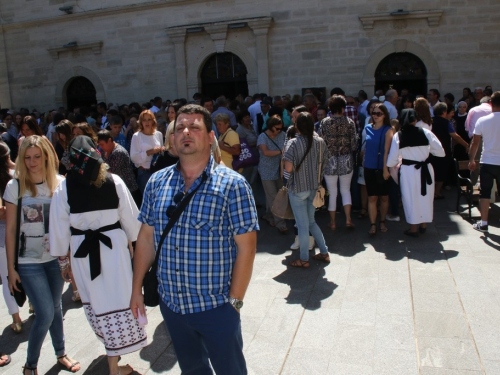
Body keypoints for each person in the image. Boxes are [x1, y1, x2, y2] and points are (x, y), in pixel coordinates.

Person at [131, 104, 258, 374]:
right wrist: (136, 288)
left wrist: (233, 305)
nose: (186, 131)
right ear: (173, 138)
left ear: (210, 136)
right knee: (192, 369)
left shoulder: (233, 185)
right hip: (172, 306)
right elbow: (146, 238)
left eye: (195, 127)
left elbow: (247, 249)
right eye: (180, 128)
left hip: (216, 307)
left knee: (230, 370)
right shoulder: (156, 182)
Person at [49, 136, 146, 375]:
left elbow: (59, 231)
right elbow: (134, 225)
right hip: (114, 251)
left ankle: (114, 364)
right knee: (118, 300)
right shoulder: (114, 181)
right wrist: (133, 247)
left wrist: (64, 261)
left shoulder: (64, 187)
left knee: (99, 304)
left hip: (83, 252)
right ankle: (114, 367)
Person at [5, 136, 80, 375]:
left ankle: (61, 353)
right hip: (28, 262)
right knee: (45, 312)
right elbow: (10, 230)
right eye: (27, 157)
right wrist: (11, 269)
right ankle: (31, 364)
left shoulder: (60, 183)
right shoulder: (14, 186)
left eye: (37, 156)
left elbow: (66, 225)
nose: (32, 161)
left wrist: (67, 260)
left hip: (55, 259)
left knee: (56, 308)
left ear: (47, 156)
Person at [387, 109, 445, 237]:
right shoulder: (426, 132)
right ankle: (423, 225)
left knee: (410, 198)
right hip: (425, 168)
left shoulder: (399, 136)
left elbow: (392, 159)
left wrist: (391, 166)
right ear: (415, 120)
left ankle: (413, 228)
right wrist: (426, 153)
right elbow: (441, 152)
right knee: (425, 197)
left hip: (408, 171)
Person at [284, 112, 329, 268]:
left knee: (302, 226)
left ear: (297, 126)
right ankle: (324, 252)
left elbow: (288, 168)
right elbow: (325, 164)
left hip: (297, 188)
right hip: (314, 188)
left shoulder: (293, 143)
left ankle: (303, 259)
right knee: (311, 222)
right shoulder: (321, 142)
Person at [319, 95, 358, 230]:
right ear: (343, 107)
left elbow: (321, 143)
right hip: (346, 159)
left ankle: (333, 222)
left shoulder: (324, 122)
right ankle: (348, 219)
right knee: (346, 190)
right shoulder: (350, 122)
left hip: (330, 161)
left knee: (332, 192)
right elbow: (354, 144)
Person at [468, 91, 500, 233]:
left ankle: (484, 222)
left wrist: (471, 160)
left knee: (485, 193)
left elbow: (475, 143)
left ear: (491, 103)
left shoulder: (483, 121)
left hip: (487, 161)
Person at [0, 142, 23, 333]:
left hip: (3, 232)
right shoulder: (18, 173)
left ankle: (16, 318)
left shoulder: (16, 173)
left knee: (7, 274)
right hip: (22, 228)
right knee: (28, 268)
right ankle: (31, 304)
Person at [362, 104, 393, 235]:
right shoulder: (367, 128)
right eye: (373, 113)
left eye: (379, 113)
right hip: (369, 166)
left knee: (384, 197)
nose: (375, 115)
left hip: (382, 167)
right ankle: (373, 224)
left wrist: (386, 169)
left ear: (384, 115)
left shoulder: (388, 129)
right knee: (372, 197)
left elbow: (387, 150)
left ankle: (382, 221)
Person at [431, 102, 469, 199]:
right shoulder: (446, 123)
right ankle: (437, 192)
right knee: (442, 171)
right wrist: (466, 145)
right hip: (444, 150)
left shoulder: (430, 121)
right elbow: (455, 136)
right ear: (444, 112)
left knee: (433, 171)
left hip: (431, 151)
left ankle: (432, 191)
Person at [257, 115, 288, 233]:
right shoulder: (262, 137)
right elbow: (265, 152)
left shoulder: (282, 135)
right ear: (271, 126)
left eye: (281, 128)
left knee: (279, 195)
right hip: (266, 171)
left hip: (279, 169)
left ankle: (269, 215)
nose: (279, 130)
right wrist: (281, 151)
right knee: (273, 197)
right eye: (277, 128)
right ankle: (280, 223)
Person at [130, 109, 164, 194]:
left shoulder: (158, 134)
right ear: (141, 122)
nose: (147, 122)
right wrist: (150, 152)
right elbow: (134, 157)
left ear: (153, 121)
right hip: (144, 172)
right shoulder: (137, 136)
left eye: (149, 119)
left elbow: (162, 153)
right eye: (144, 120)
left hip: (158, 171)